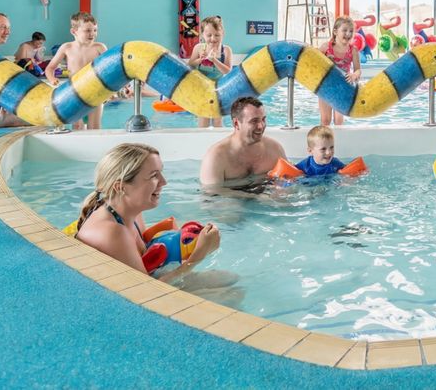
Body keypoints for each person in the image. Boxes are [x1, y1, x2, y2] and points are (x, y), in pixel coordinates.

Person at [74, 143, 220, 280]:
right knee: (229, 292)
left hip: (139, 284)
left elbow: (147, 253)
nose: (164, 182)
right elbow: (147, 292)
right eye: (153, 175)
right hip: (134, 295)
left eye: (160, 173)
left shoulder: (130, 212)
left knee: (225, 279)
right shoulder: (112, 231)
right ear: (120, 187)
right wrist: (198, 255)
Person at [200, 96, 287, 187]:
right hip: (231, 200)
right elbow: (212, 195)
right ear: (236, 123)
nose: (261, 126)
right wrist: (257, 197)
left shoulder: (275, 149)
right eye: (254, 121)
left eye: (263, 119)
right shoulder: (216, 157)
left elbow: (289, 181)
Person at [43, 12, 107, 129]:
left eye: (95, 30)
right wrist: (52, 79)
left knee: (95, 128)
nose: (92, 34)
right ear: (74, 31)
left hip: (96, 91)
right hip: (75, 92)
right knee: (77, 127)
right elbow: (50, 68)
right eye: (87, 31)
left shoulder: (99, 48)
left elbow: (109, 68)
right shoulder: (67, 48)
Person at [187, 15, 233, 128]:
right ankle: (202, 141)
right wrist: (200, 59)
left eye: (217, 35)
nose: (213, 38)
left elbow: (228, 70)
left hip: (219, 89)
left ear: (223, 34)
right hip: (202, 88)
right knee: (203, 117)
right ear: (202, 35)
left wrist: (214, 60)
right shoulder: (198, 48)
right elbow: (190, 65)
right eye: (209, 35)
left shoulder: (226, 50)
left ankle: (218, 141)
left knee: (217, 119)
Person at [320, 16, 362, 126]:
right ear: (335, 31)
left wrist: (354, 75)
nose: (348, 33)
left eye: (351, 31)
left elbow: (358, 70)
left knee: (339, 120)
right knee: (325, 120)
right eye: (344, 30)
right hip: (326, 87)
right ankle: (322, 142)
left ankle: (338, 142)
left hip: (342, 87)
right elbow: (315, 64)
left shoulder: (353, 50)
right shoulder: (326, 47)